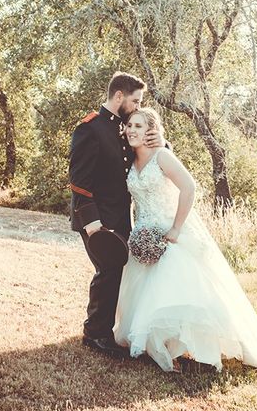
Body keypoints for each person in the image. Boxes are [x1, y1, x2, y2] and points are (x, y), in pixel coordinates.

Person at [114, 108, 257, 372]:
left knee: (182, 289)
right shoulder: (129, 159)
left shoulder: (162, 156)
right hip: (144, 234)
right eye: (129, 125)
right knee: (148, 291)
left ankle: (197, 345)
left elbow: (189, 187)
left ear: (151, 130)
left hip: (168, 232)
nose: (132, 130)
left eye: (139, 126)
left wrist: (175, 228)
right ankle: (159, 345)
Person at [68, 72, 163, 355]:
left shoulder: (126, 127)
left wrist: (161, 143)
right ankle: (95, 334)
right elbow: (78, 180)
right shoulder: (90, 128)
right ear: (119, 96)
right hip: (95, 218)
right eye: (135, 101)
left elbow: (146, 159)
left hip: (122, 216)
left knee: (115, 272)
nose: (137, 107)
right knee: (107, 271)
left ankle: (101, 330)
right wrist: (92, 223)